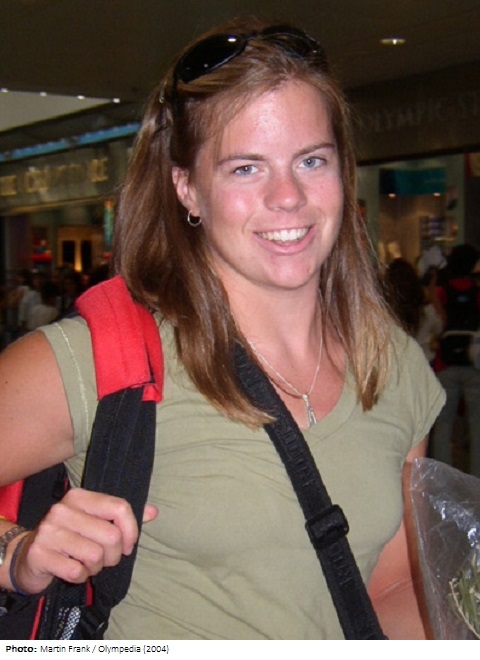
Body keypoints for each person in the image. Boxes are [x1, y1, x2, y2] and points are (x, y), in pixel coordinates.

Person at [0, 18, 445, 640]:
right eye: (245, 168)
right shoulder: (102, 358)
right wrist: (17, 555)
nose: (288, 196)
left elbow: (391, 588)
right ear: (187, 188)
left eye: (311, 160)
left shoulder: (391, 365)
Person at [430, 244, 480, 477]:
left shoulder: (443, 290)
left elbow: (439, 318)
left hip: (446, 362)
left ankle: (445, 478)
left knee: (444, 423)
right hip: (474, 362)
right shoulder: (476, 291)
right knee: (476, 424)